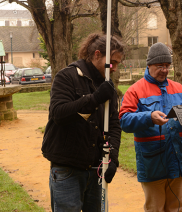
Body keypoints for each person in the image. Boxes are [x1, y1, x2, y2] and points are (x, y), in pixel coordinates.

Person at [41, 33, 125, 212]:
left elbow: (114, 124)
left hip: (96, 169)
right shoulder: (67, 76)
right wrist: (94, 98)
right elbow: (59, 114)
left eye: (118, 63)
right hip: (67, 169)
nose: (115, 68)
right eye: (112, 62)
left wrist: (113, 158)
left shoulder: (107, 85)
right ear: (96, 54)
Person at [119, 42, 182, 212]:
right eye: (160, 66)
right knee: (155, 209)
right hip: (152, 162)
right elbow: (124, 120)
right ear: (149, 65)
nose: (165, 70)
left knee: (176, 208)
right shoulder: (135, 91)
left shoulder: (178, 88)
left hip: (177, 158)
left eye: (167, 66)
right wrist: (149, 117)